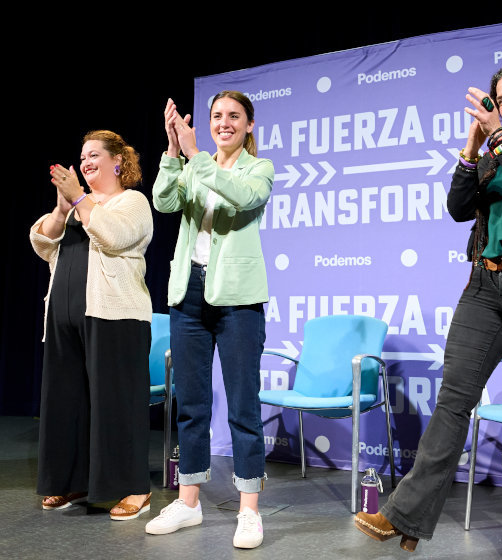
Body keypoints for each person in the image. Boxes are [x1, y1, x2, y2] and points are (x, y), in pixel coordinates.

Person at [354, 61, 502, 560]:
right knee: (453, 400)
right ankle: (404, 516)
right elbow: (459, 207)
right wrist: (472, 148)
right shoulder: (495, 156)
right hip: (486, 287)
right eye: (499, 98)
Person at [145, 91, 274, 549]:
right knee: (193, 405)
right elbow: (163, 202)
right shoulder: (194, 165)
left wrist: (196, 154)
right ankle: (189, 501)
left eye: (233, 117)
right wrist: (173, 151)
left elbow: (238, 197)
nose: (224, 123)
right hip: (188, 294)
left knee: (243, 407)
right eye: (217, 115)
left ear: (249, 125)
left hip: (238, 300)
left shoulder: (259, 169)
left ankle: (249, 510)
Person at [29, 130, 153, 520]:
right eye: (82, 156)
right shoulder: (77, 206)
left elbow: (114, 237)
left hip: (115, 316)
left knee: (116, 403)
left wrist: (81, 201)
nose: (85, 162)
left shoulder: (132, 201)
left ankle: (134, 487)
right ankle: (74, 480)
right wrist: (62, 206)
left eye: (94, 155)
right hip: (64, 318)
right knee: (68, 402)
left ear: (117, 161)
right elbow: (42, 242)